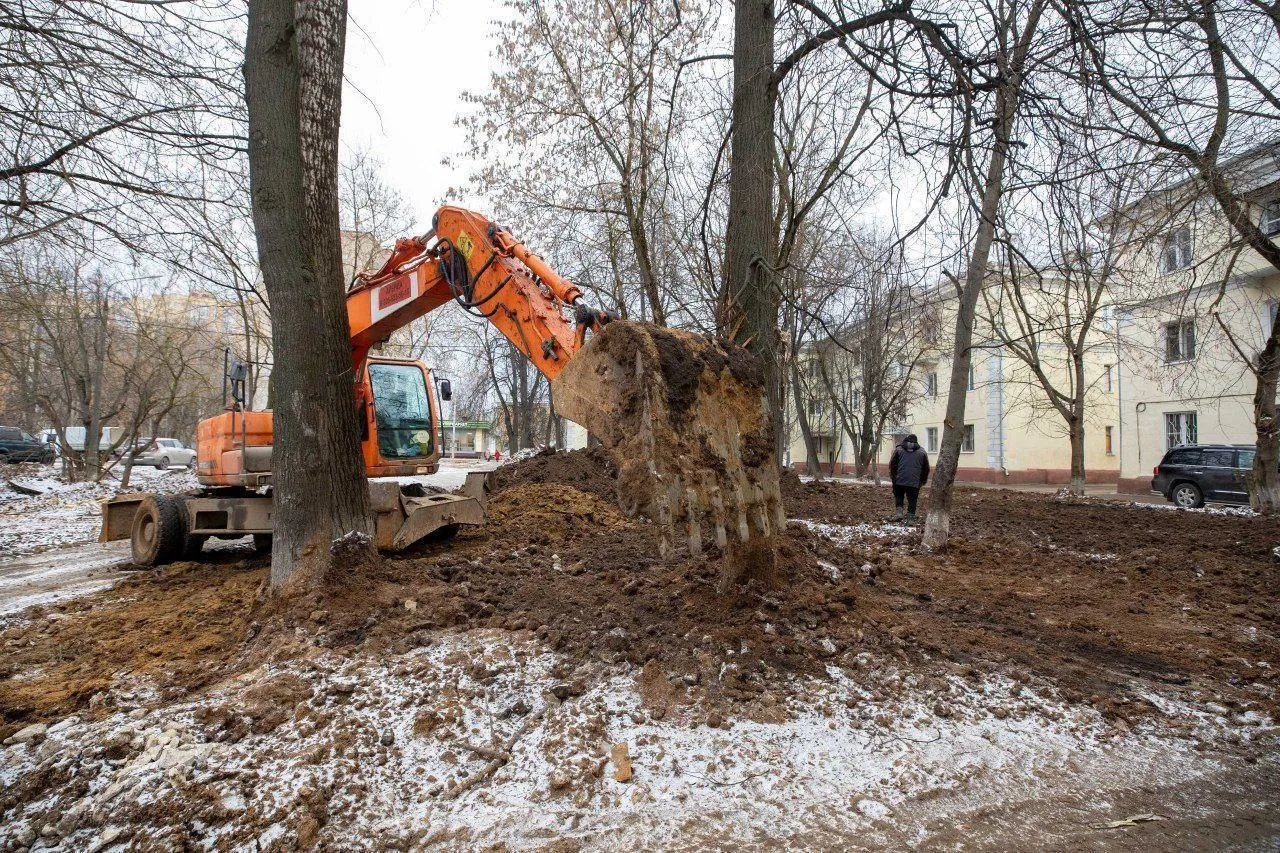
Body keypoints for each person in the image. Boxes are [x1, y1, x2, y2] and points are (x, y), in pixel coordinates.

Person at [888, 433, 930, 524]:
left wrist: (893, 478)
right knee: (912, 499)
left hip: (899, 480)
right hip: (914, 481)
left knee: (899, 496)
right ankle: (910, 519)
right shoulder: (922, 452)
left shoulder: (898, 450)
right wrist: (922, 481)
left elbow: (892, 465)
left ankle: (899, 514)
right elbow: (926, 468)